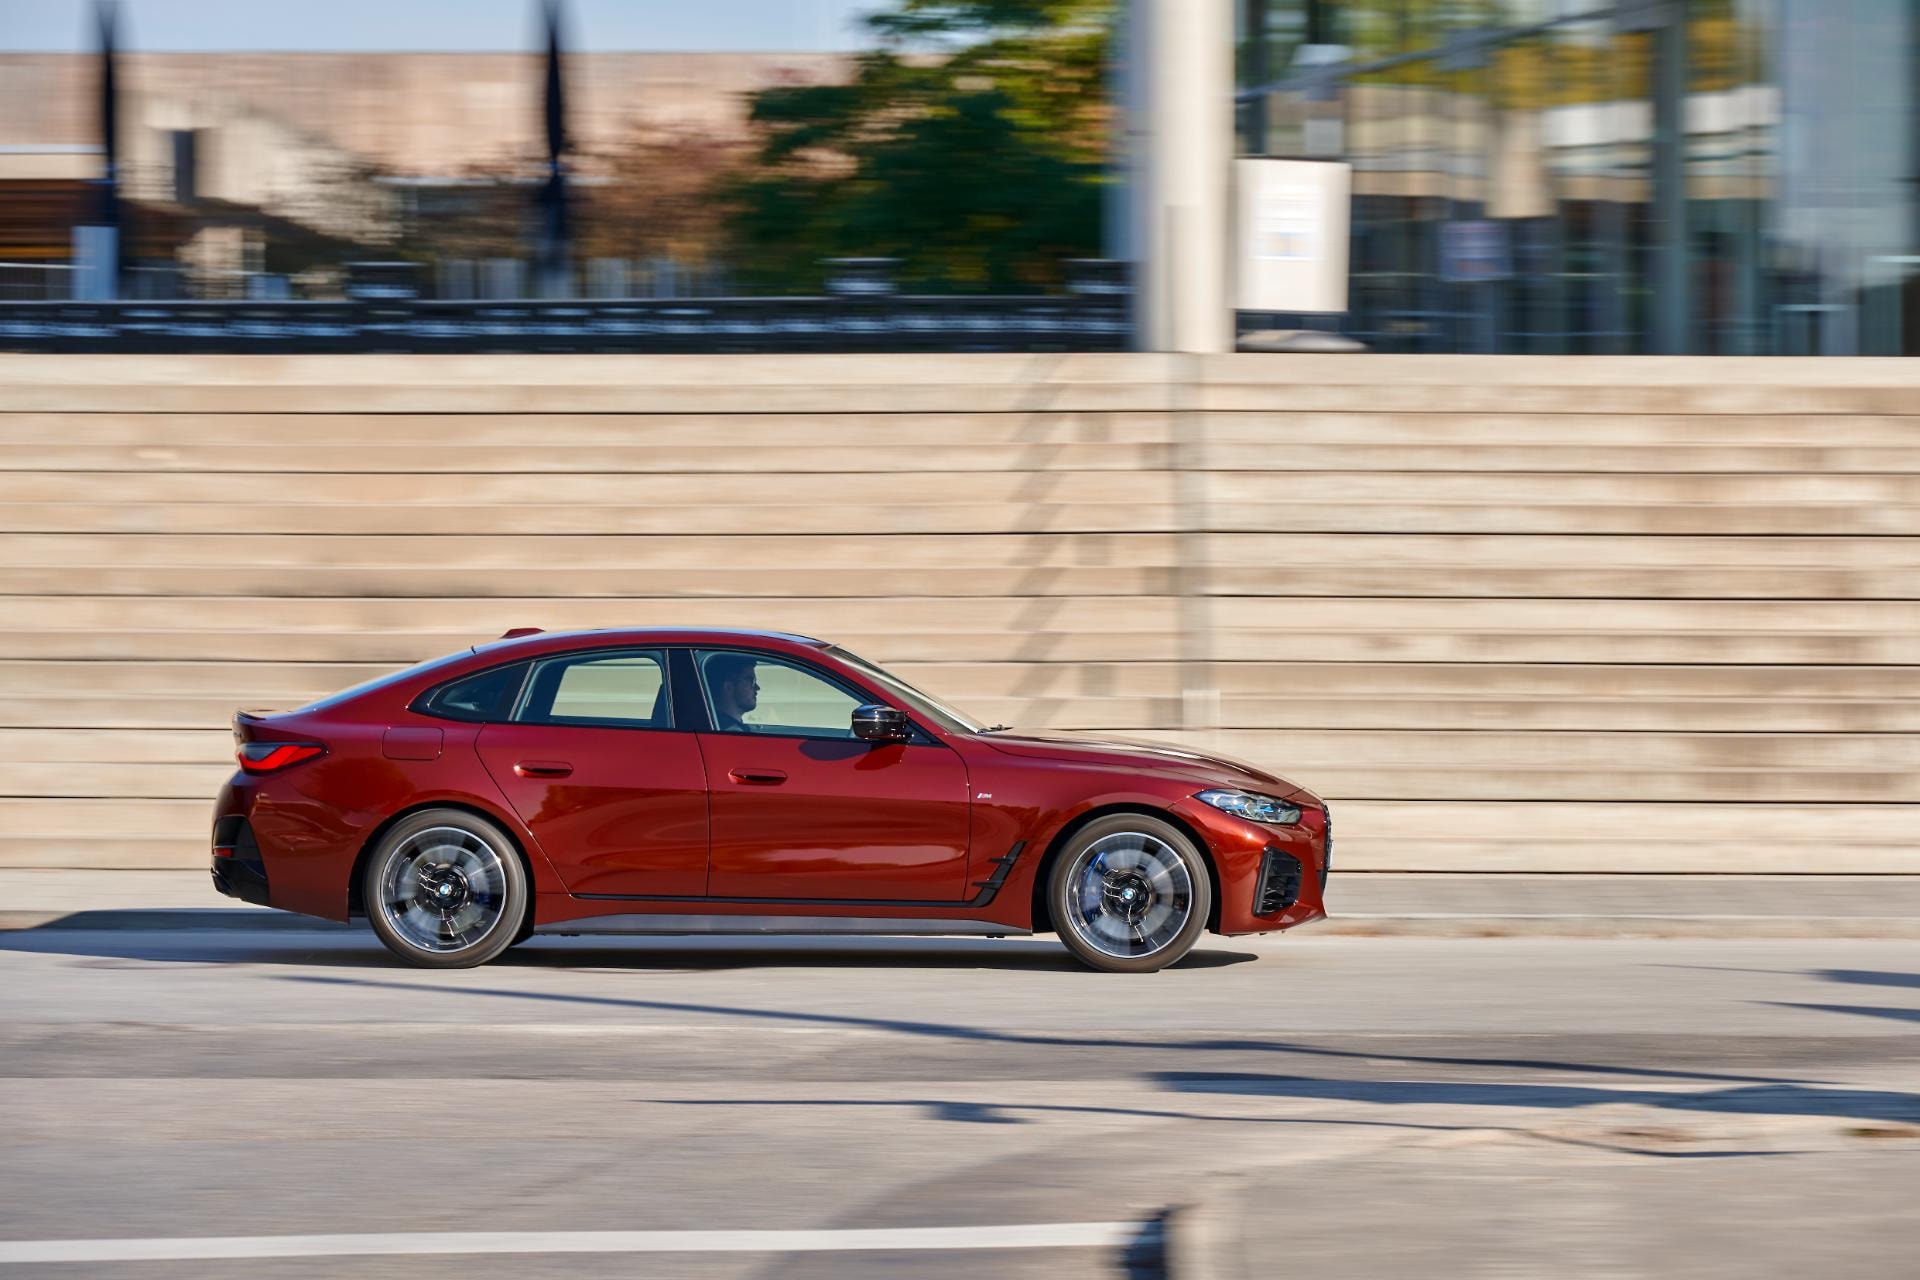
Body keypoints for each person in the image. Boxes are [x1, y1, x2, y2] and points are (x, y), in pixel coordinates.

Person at [708, 654, 760, 732]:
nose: (757, 688)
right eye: (751, 681)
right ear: (728, 686)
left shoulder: (719, 727)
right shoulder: (727, 732)